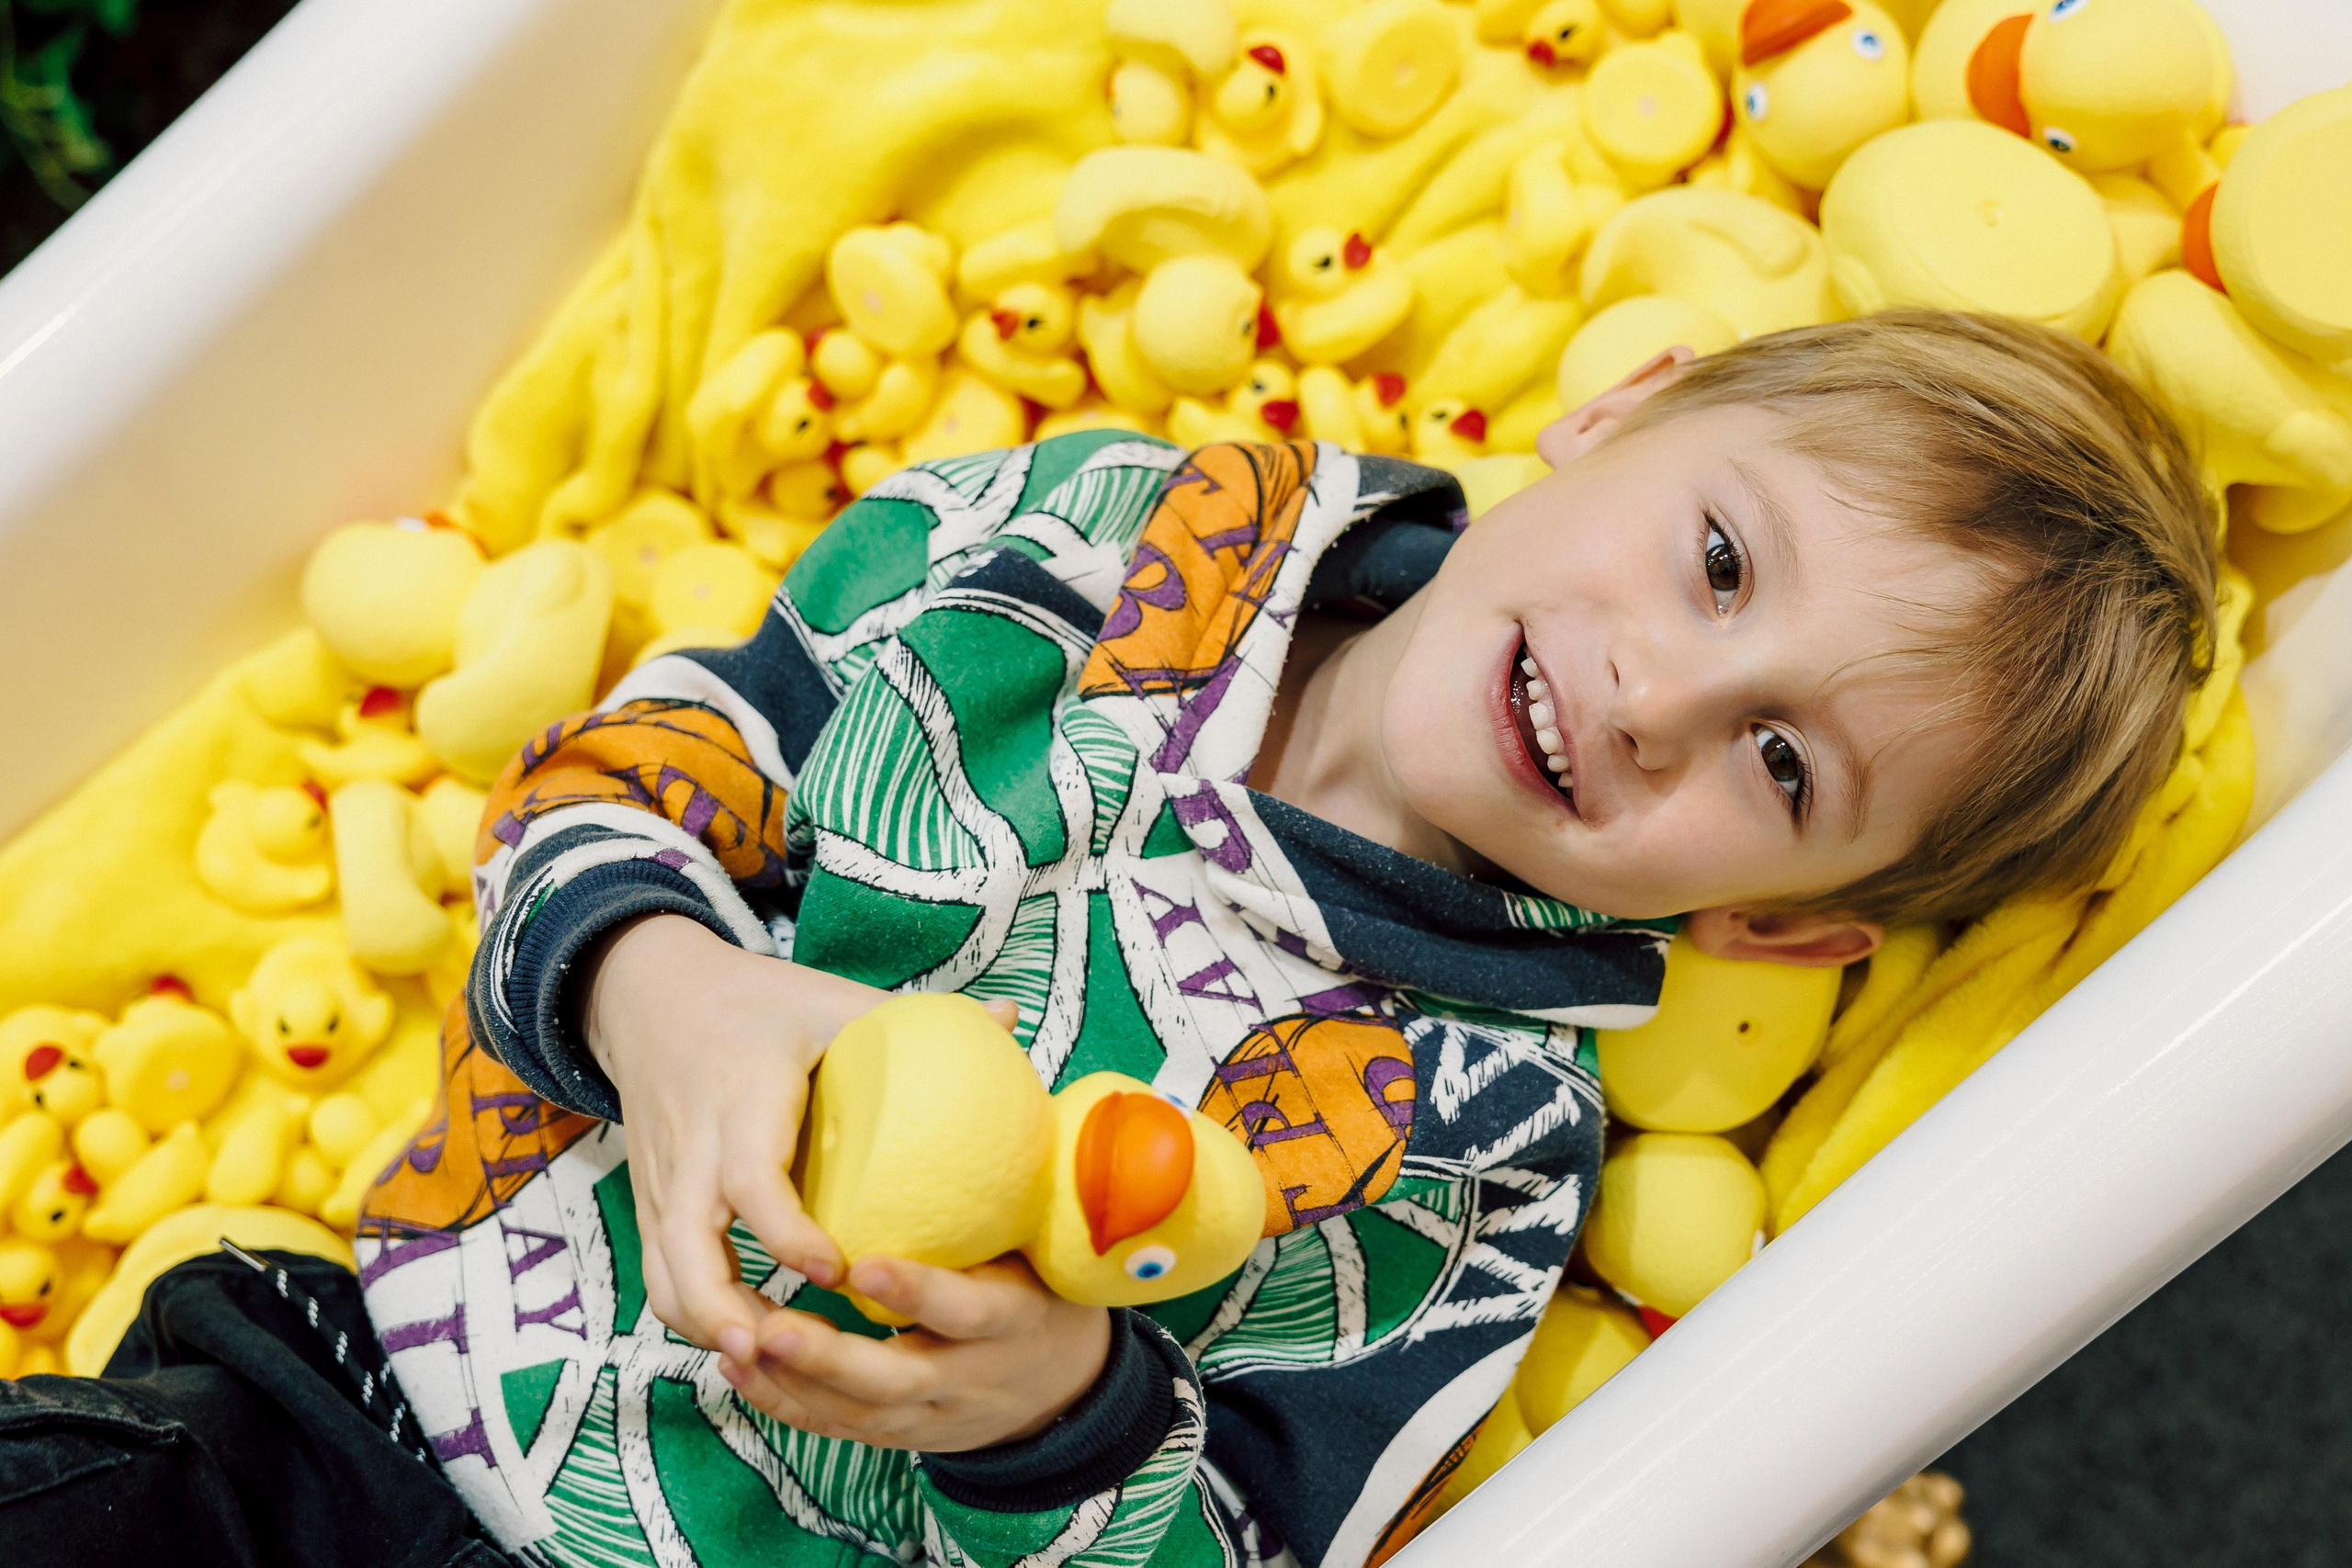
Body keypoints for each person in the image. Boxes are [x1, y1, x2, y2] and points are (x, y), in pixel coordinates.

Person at [2, 311, 2216, 1568]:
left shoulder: (1469, 1144)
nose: (1656, 693)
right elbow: (641, 761)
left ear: (1779, 920)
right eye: (1717, 561)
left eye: (1781, 763)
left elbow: (1241, 1547)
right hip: (358, 1404)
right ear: (1623, 402)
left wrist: (1055, 1413)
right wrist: (661, 989)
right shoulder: (1101, 535)